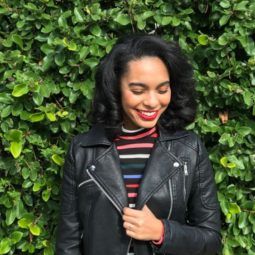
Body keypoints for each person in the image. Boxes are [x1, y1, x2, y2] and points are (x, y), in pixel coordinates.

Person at [56, 34, 221, 255]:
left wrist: (162, 232)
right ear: (115, 88)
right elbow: (68, 243)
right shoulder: (83, 150)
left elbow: (211, 241)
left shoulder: (189, 149)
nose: (153, 102)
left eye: (162, 90)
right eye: (138, 91)